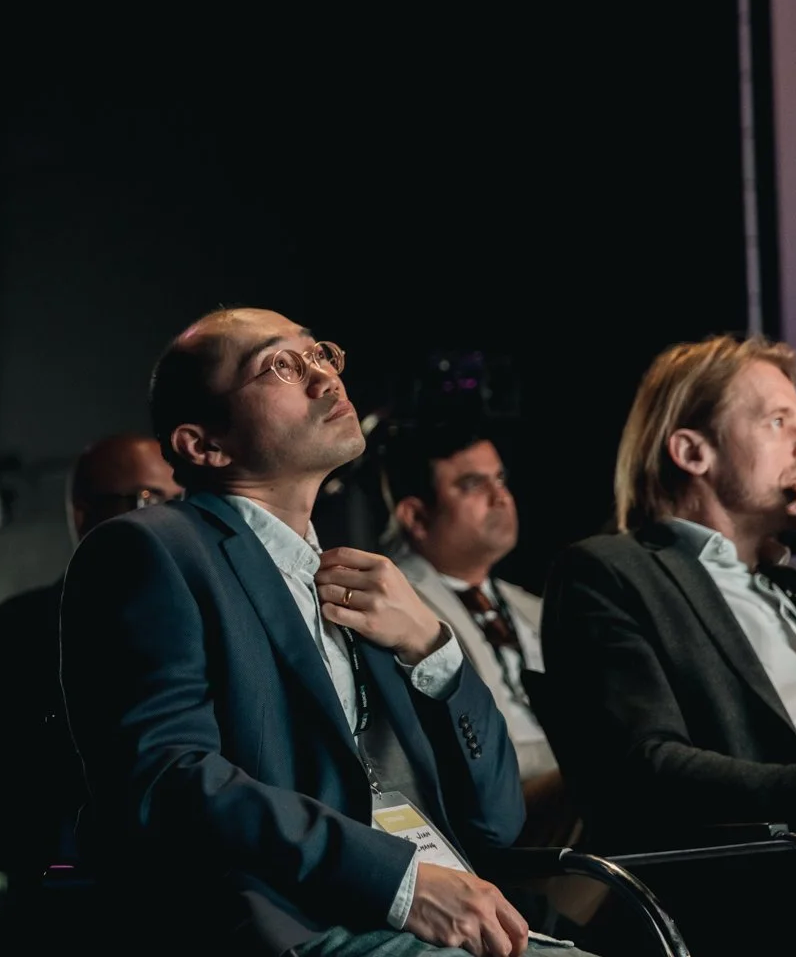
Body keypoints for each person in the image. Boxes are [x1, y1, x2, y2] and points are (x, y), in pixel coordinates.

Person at [62, 308, 583, 956]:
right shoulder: (149, 549)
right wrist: (399, 882)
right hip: (278, 925)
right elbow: (167, 780)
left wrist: (434, 648)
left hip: (421, 909)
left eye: (320, 355)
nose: (324, 377)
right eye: (280, 366)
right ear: (204, 445)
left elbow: (497, 821)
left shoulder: (361, 581)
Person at [543, 334, 796, 840]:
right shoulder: (609, 572)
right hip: (764, 875)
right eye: (778, 422)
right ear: (693, 452)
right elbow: (646, 767)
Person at [0, 433, 182, 884]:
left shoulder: (205, 619)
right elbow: (19, 788)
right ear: (82, 513)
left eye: (180, 499)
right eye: (147, 498)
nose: (171, 517)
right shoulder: (10, 632)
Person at [380, 424, 572, 846]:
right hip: (489, 807)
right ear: (415, 515)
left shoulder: (533, 607)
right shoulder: (391, 605)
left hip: (560, 784)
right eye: (472, 484)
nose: (500, 496)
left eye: (500, 478)